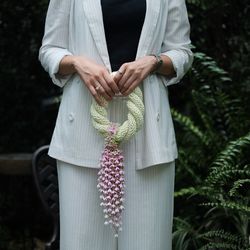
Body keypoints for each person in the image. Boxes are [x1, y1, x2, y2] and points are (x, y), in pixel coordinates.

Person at [39, 0, 193, 249]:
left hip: (148, 136)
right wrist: (79, 63)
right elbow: (50, 49)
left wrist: (153, 62)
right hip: (82, 132)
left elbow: (182, 52)